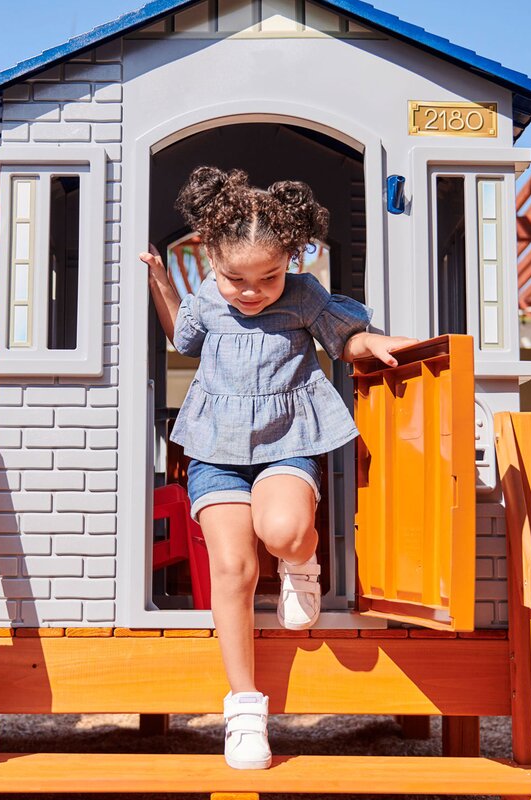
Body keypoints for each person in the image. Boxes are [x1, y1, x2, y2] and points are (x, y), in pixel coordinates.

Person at [140, 166, 417, 771]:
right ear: (209, 256)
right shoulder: (207, 301)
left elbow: (343, 337)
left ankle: (302, 564)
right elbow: (180, 340)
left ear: (291, 257)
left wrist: (374, 344)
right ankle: (244, 710)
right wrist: (162, 281)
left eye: (268, 276)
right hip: (216, 451)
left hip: (286, 440)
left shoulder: (303, 296)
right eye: (234, 277)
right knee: (233, 569)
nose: (250, 291)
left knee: (285, 531)